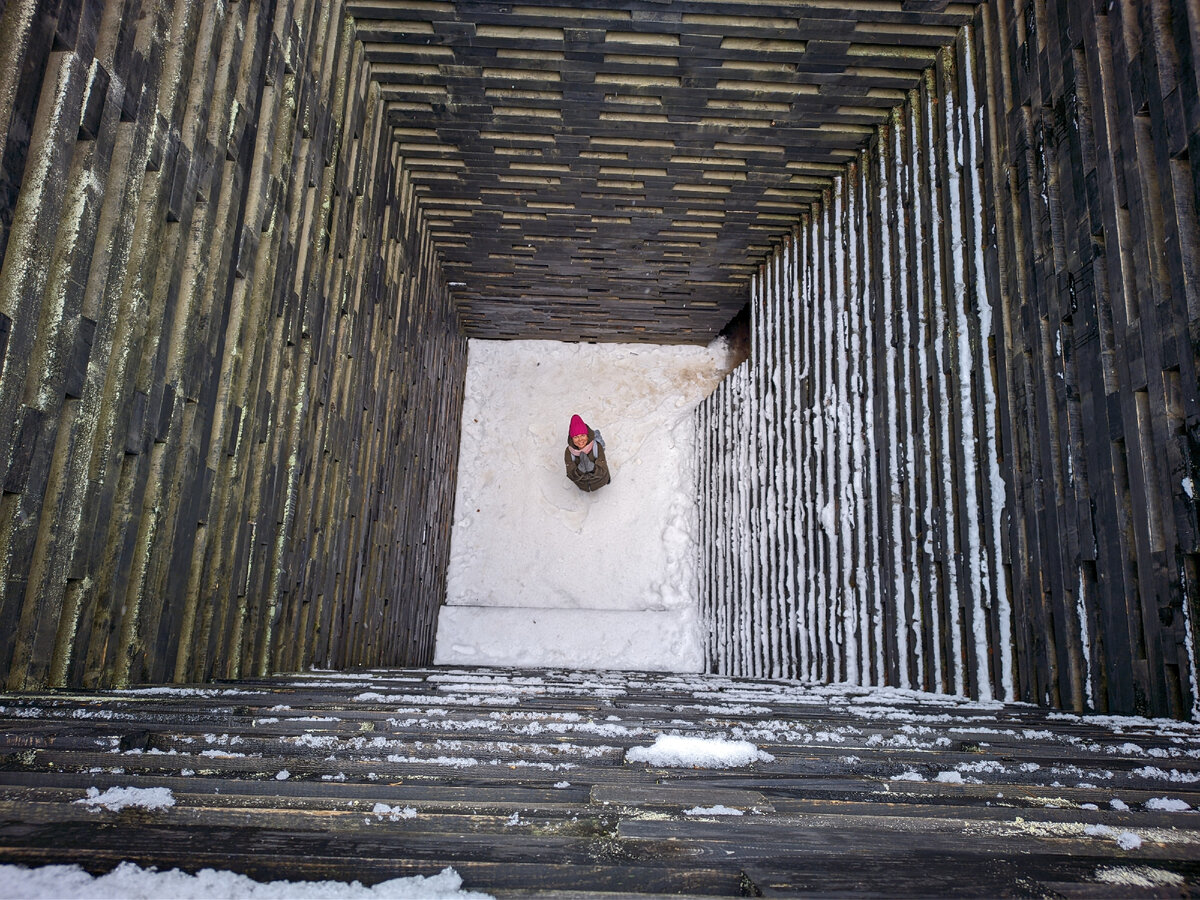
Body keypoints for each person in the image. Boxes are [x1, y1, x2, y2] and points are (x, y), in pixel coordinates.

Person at [564, 414, 610, 492]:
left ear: (587, 435)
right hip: (583, 486)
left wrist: (593, 468)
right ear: (572, 439)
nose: (580, 440)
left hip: (600, 481)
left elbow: (603, 470)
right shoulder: (569, 452)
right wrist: (579, 470)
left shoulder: (596, 447)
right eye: (576, 437)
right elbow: (571, 475)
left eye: (582, 435)